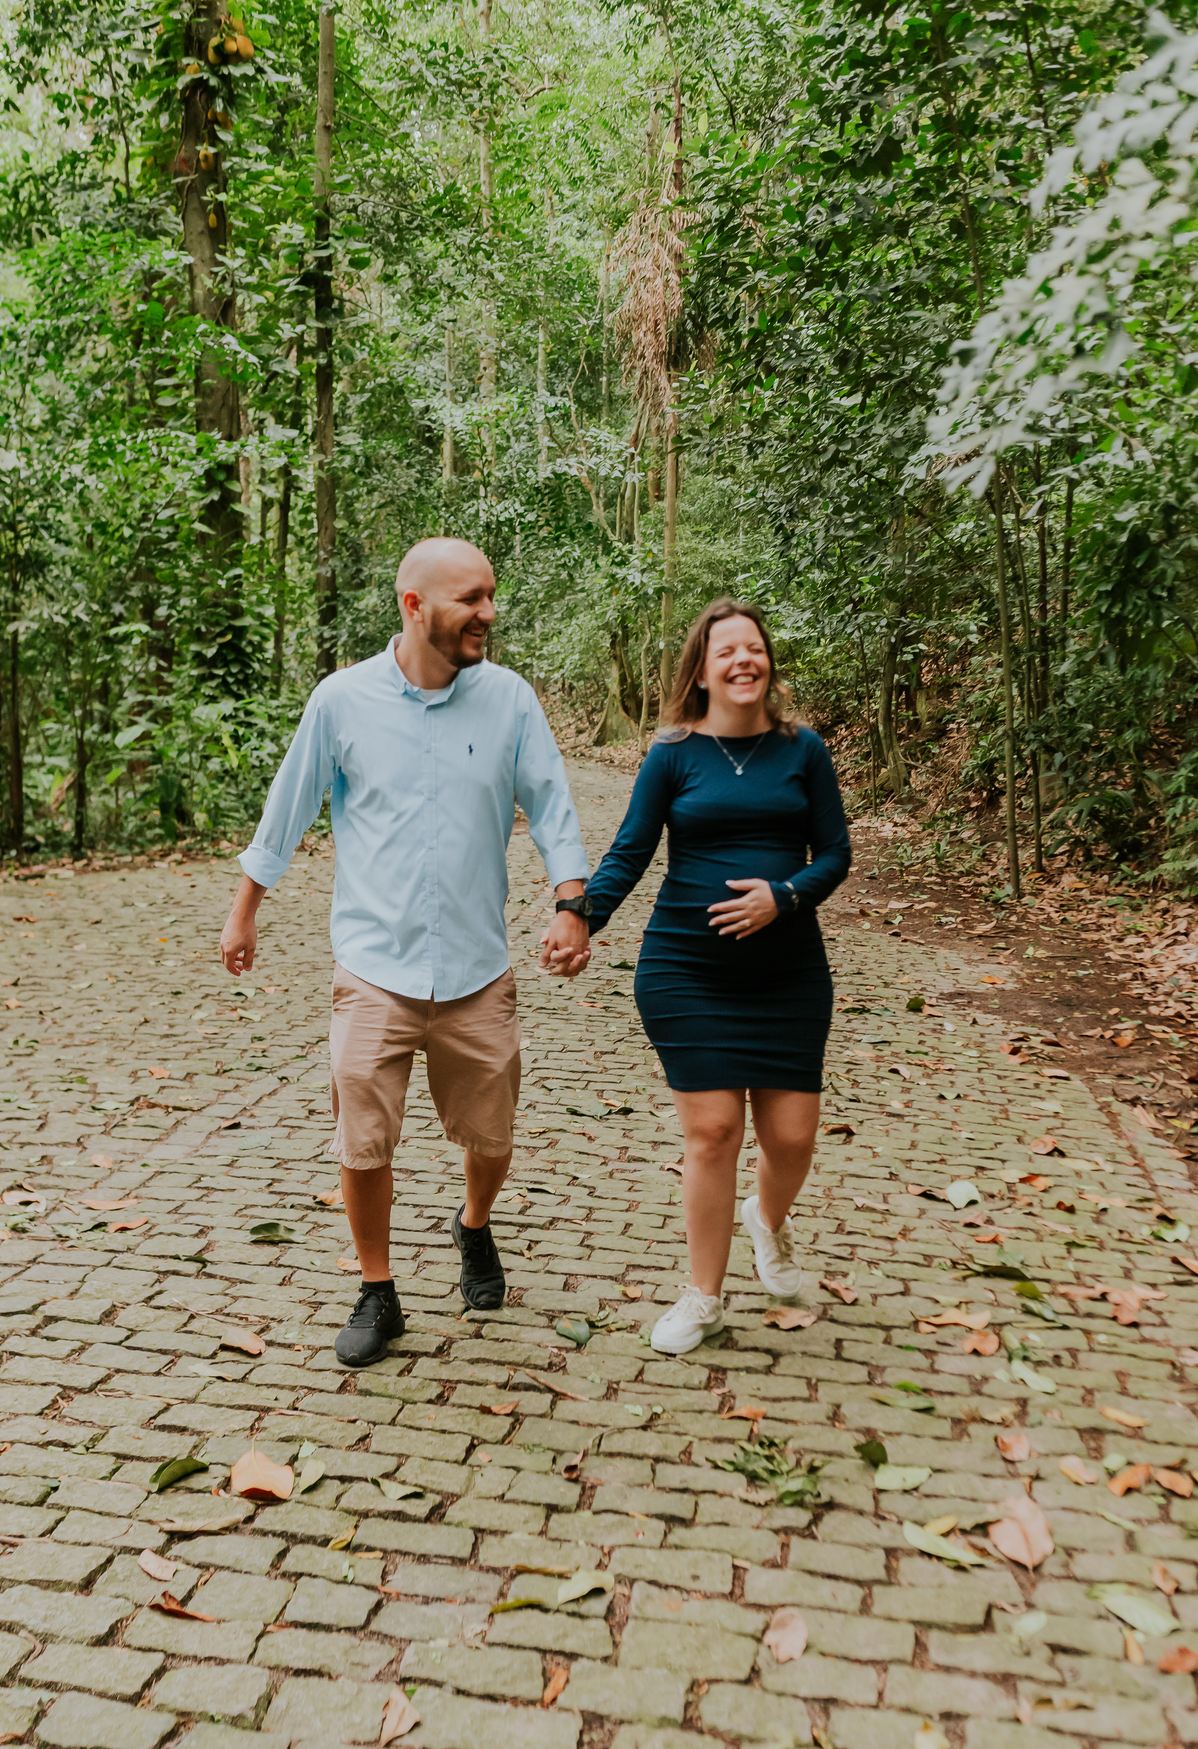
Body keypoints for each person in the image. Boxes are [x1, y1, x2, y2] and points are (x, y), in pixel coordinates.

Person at [219, 538, 593, 1367]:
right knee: (363, 1140)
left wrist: (573, 904)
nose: (489, 614)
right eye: (470, 598)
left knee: (490, 1138)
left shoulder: (510, 701)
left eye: (492, 595)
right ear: (413, 605)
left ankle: (474, 1225)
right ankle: (378, 1289)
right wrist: (246, 909)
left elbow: (554, 806)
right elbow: (288, 806)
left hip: (476, 968)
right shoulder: (342, 700)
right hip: (372, 966)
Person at [584, 598, 851, 1354]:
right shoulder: (672, 753)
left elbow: (835, 853)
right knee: (713, 1132)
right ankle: (703, 1295)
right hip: (685, 968)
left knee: (791, 1137)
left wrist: (785, 896)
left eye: (754, 648)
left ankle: (767, 1219)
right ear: (700, 670)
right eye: (725, 650)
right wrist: (583, 917)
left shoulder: (805, 750)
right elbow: (630, 851)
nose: (743, 660)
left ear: (768, 663)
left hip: (789, 971)